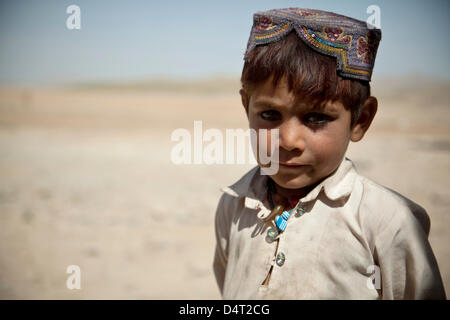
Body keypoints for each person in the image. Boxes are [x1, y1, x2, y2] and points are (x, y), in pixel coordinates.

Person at [212, 8, 446, 299]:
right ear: (246, 107)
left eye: (316, 118)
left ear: (360, 120)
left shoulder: (387, 223)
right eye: (270, 114)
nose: (288, 140)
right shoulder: (234, 207)